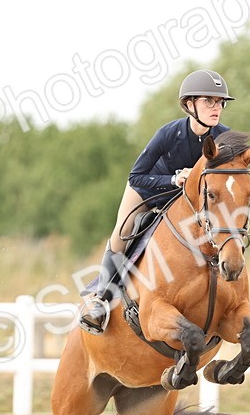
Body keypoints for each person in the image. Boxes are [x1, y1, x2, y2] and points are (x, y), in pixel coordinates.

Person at [78, 69, 234, 334]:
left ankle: (234, 301)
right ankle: (100, 300)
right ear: (189, 104)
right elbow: (137, 175)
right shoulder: (168, 133)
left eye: (219, 102)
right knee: (124, 231)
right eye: (209, 101)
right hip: (151, 189)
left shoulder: (224, 137)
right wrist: (173, 179)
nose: (216, 107)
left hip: (190, 201)